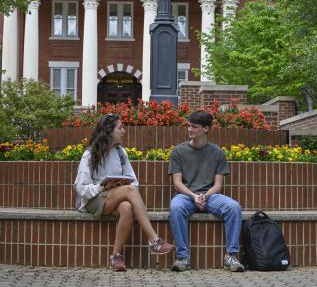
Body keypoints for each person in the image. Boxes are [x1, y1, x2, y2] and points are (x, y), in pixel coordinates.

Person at [74, 113, 175, 271]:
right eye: (120, 128)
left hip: (114, 198)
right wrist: (103, 187)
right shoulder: (90, 154)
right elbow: (81, 188)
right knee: (129, 190)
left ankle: (115, 257)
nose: (124, 131)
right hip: (93, 200)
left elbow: (133, 181)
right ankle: (154, 241)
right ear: (108, 131)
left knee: (127, 208)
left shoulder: (121, 153)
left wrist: (119, 185)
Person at [168, 110, 244, 272]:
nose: (189, 129)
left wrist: (204, 196)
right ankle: (183, 257)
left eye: (194, 127)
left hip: (211, 196)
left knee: (233, 207)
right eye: (188, 126)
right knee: (176, 207)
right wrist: (194, 196)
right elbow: (177, 183)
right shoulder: (179, 151)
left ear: (206, 129)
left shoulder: (217, 152)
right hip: (186, 196)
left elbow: (218, 185)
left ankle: (231, 256)